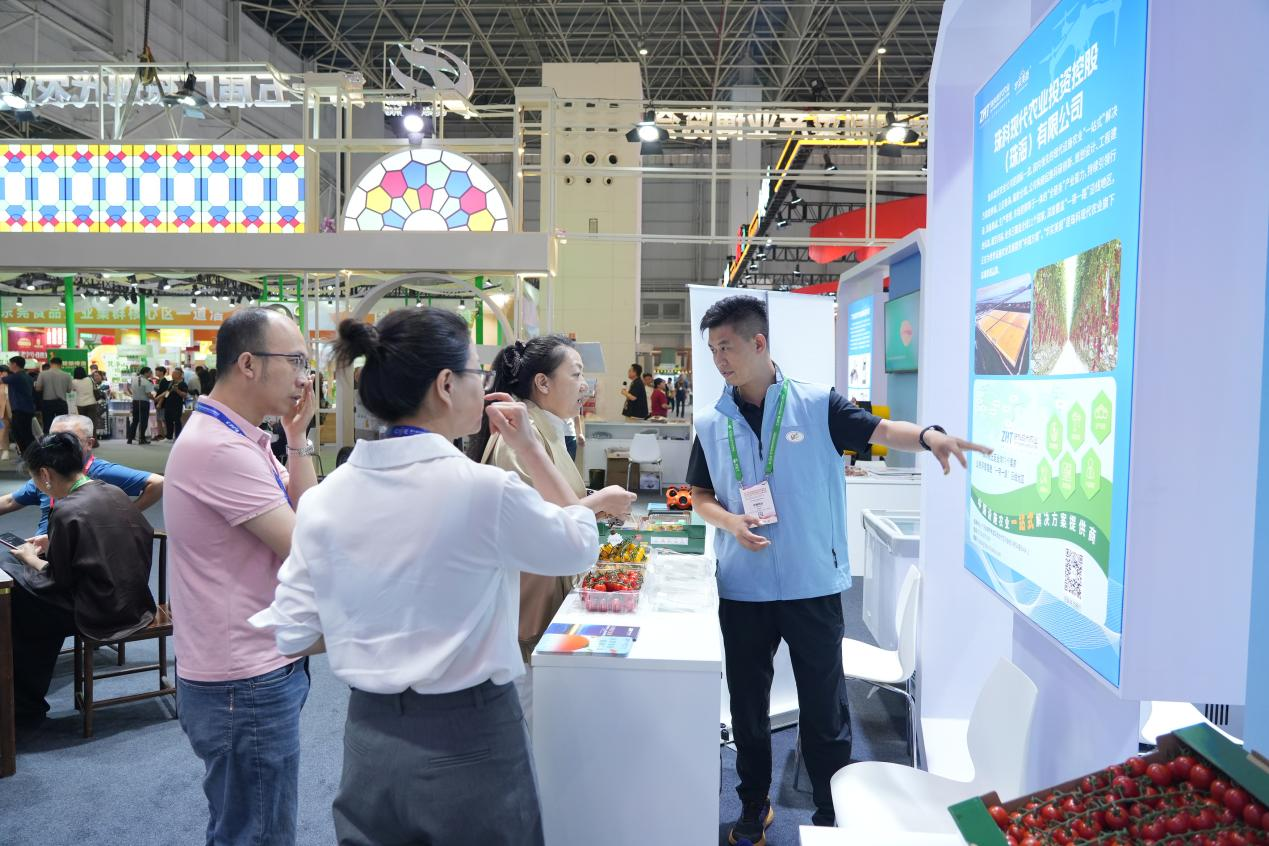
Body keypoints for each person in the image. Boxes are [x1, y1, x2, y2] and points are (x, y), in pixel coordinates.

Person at [251, 309, 601, 846]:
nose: (483, 385)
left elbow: (293, 631)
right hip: (472, 735)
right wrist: (532, 448)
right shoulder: (483, 491)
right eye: (475, 372)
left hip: (369, 738)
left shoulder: (323, 500)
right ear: (445, 385)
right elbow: (579, 546)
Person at [686, 296, 988, 841]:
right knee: (748, 708)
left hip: (812, 585)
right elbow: (700, 495)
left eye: (726, 347)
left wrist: (928, 437)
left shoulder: (814, 404)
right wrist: (730, 522)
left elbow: (880, 431)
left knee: (824, 708)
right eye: (713, 350)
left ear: (759, 342)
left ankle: (831, 811)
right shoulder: (711, 421)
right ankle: (753, 803)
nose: (719, 360)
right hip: (743, 587)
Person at [164, 307, 317, 846]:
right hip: (242, 677)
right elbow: (308, 547)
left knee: (255, 824)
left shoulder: (242, 438)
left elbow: (308, 513)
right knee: (256, 833)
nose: (305, 377)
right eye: (295, 360)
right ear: (248, 364)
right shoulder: (219, 448)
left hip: (256, 664)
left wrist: (296, 438)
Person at [469, 336, 636, 720]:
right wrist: (601, 500)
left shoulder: (543, 429)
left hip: (545, 597)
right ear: (542, 383)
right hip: (528, 610)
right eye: (576, 375)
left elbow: (558, 503)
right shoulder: (520, 440)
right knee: (533, 722)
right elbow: (540, 525)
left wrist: (594, 502)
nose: (584, 386)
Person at [3, 432, 156, 725]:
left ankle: (24, 706)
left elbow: (58, 579)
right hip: (134, 599)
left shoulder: (66, 508)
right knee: (19, 584)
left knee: (19, 608)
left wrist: (30, 557)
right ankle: (25, 703)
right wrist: (52, 543)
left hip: (101, 610)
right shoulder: (113, 491)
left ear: (45, 474)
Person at [0, 414, 163, 535]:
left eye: (69, 441)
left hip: (79, 553)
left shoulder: (101, 471)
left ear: (89, 443)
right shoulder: (48, 472)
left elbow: (158, 483)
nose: (60, 448)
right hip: (44, 547)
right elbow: (10, 501)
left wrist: (124, 515)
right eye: (54, 440)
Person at [3, 356, 36, 458]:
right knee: (25, 433)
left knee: (20, 433)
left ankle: (28, 455)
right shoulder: (27, 377)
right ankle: (29, 455)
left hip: (20, 409)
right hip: (27, 409)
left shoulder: (16, 376)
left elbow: (2, 380)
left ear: (14, 364)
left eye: (10, 363)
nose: (9, 366)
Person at [34, 357, 72, 433]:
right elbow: (69, 390)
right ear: (61, 365)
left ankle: (48, 440)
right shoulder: (67, 375)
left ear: (50, 364)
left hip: (47, 403)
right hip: (61, 403)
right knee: (62, 426)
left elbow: (38, 388)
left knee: (48, 425)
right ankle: (62, 439)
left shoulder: (43, 374)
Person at [127, 366, 155, 445]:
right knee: (143, 421)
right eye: (150, 372)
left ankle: (130, 438)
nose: (151, 374)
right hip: (144, 403)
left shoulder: (134, 379)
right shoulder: (147, 382)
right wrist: (154, 398)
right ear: (146, 373)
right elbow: (148, 394)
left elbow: (129, 388)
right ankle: (141, 438)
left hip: (135, 402)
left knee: (135, 421)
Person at [70, 366, 100, 437]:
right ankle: (93, 440)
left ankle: (85, 440)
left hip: (80, 405)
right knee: (92, 423)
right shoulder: (89, 379)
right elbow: (95, 388)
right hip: (91, 403)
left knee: (83, 423)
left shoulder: (74, 381)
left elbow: (73, 389)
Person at [163, 367, 190, 441]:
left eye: (174, 374)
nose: (172, 375)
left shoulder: (183, 384)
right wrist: (162, 399)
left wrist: (177, 390)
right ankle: (169, 436)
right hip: (168, 404)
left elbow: (184, 395)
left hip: (177, 405)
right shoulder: (171, 383)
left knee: (177, 421)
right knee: (168, 420)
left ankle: (177, 437)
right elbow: (167, 393)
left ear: (179, 375)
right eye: (172, 373)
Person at [153, 367, 172, 441]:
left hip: (162, 403)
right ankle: (162, 434)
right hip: (159, 402)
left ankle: (165, 434)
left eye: (157, 371)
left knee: (163, 419)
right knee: (159, 419)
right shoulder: (159, 380)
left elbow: (165, 393)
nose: (155, 372)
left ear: (161, 372)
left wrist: (160, 403)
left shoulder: (164, 381)